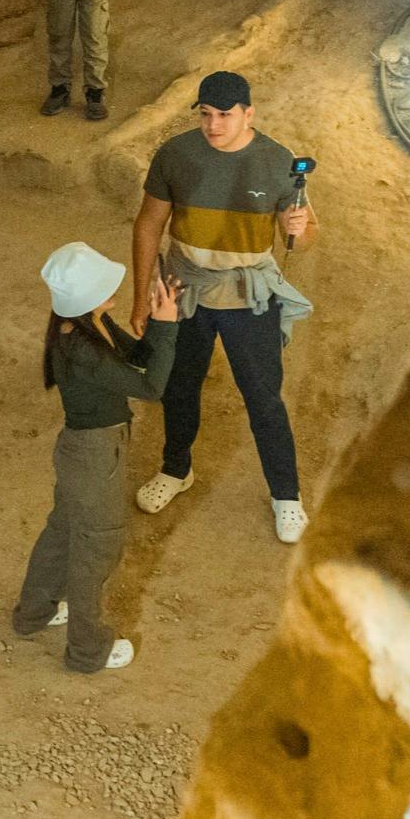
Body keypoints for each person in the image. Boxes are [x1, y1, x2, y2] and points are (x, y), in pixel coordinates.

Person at [128, 71, 316, 543]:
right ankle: (176, 470)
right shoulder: (176, 155)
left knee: (263, 395)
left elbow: (304, 238)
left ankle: (286, 496)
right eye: (206, 115)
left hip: (246, 293)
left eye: (225, 116)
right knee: (178, 385)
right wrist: (141, 297)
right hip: (185, 286)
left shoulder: (277, 163)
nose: (213, 125)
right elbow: (149, 224)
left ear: (248, 114)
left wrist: (300, 225)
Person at [12, 244, 179, 674]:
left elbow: (138, 359)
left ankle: (34, 612)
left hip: (83, 454)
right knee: (97, 549)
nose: (116, 291)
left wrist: (159, 323)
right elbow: (151, 387)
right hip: (96, 457)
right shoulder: (83, 348)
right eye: (106, 286)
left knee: (63, 532)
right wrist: (167, 328)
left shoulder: (88, 325)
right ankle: (88, 650)